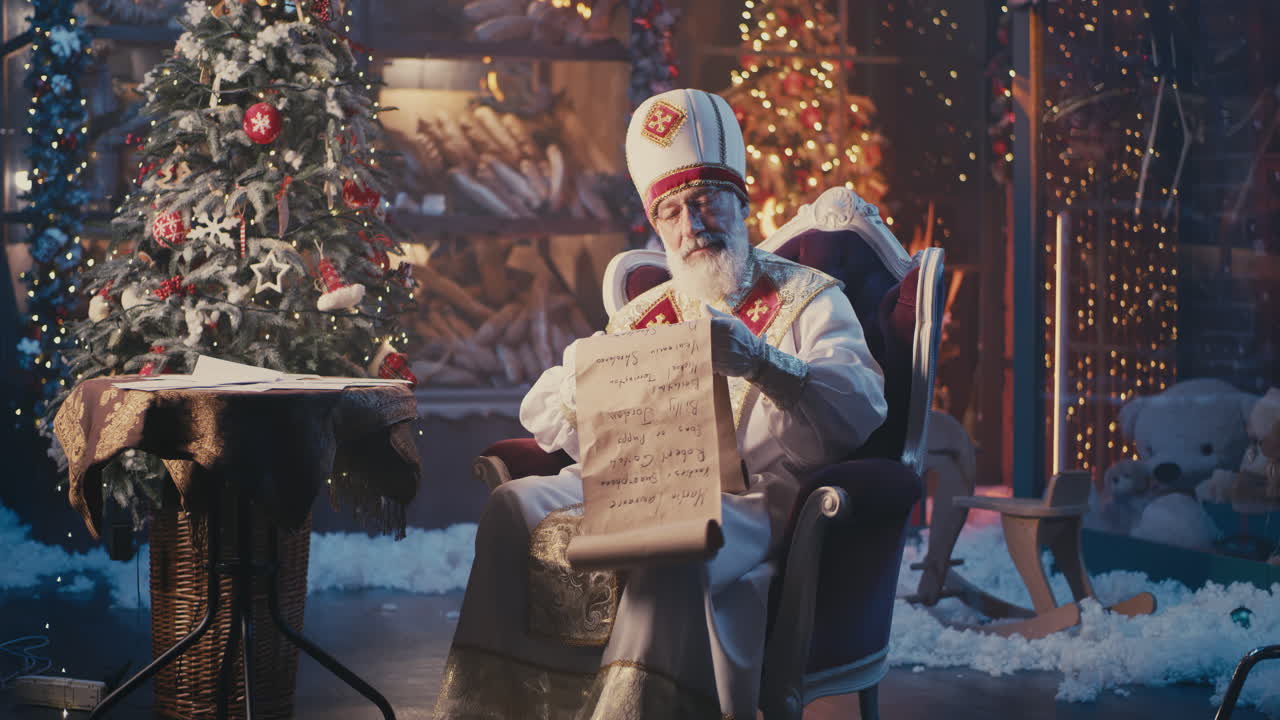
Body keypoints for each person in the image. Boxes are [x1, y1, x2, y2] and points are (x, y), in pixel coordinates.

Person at [433, 88, 888, 719]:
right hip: (638, 488)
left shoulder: (810, 297)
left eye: (703, 202)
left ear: (740, 199)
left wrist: (760, 360)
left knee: (672, 545)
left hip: (752, 502)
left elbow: (859, 407)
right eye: (670, 212)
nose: (690, 227)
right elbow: (570, 423)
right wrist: (583, 387)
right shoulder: (646, 312)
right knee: (514, 506)